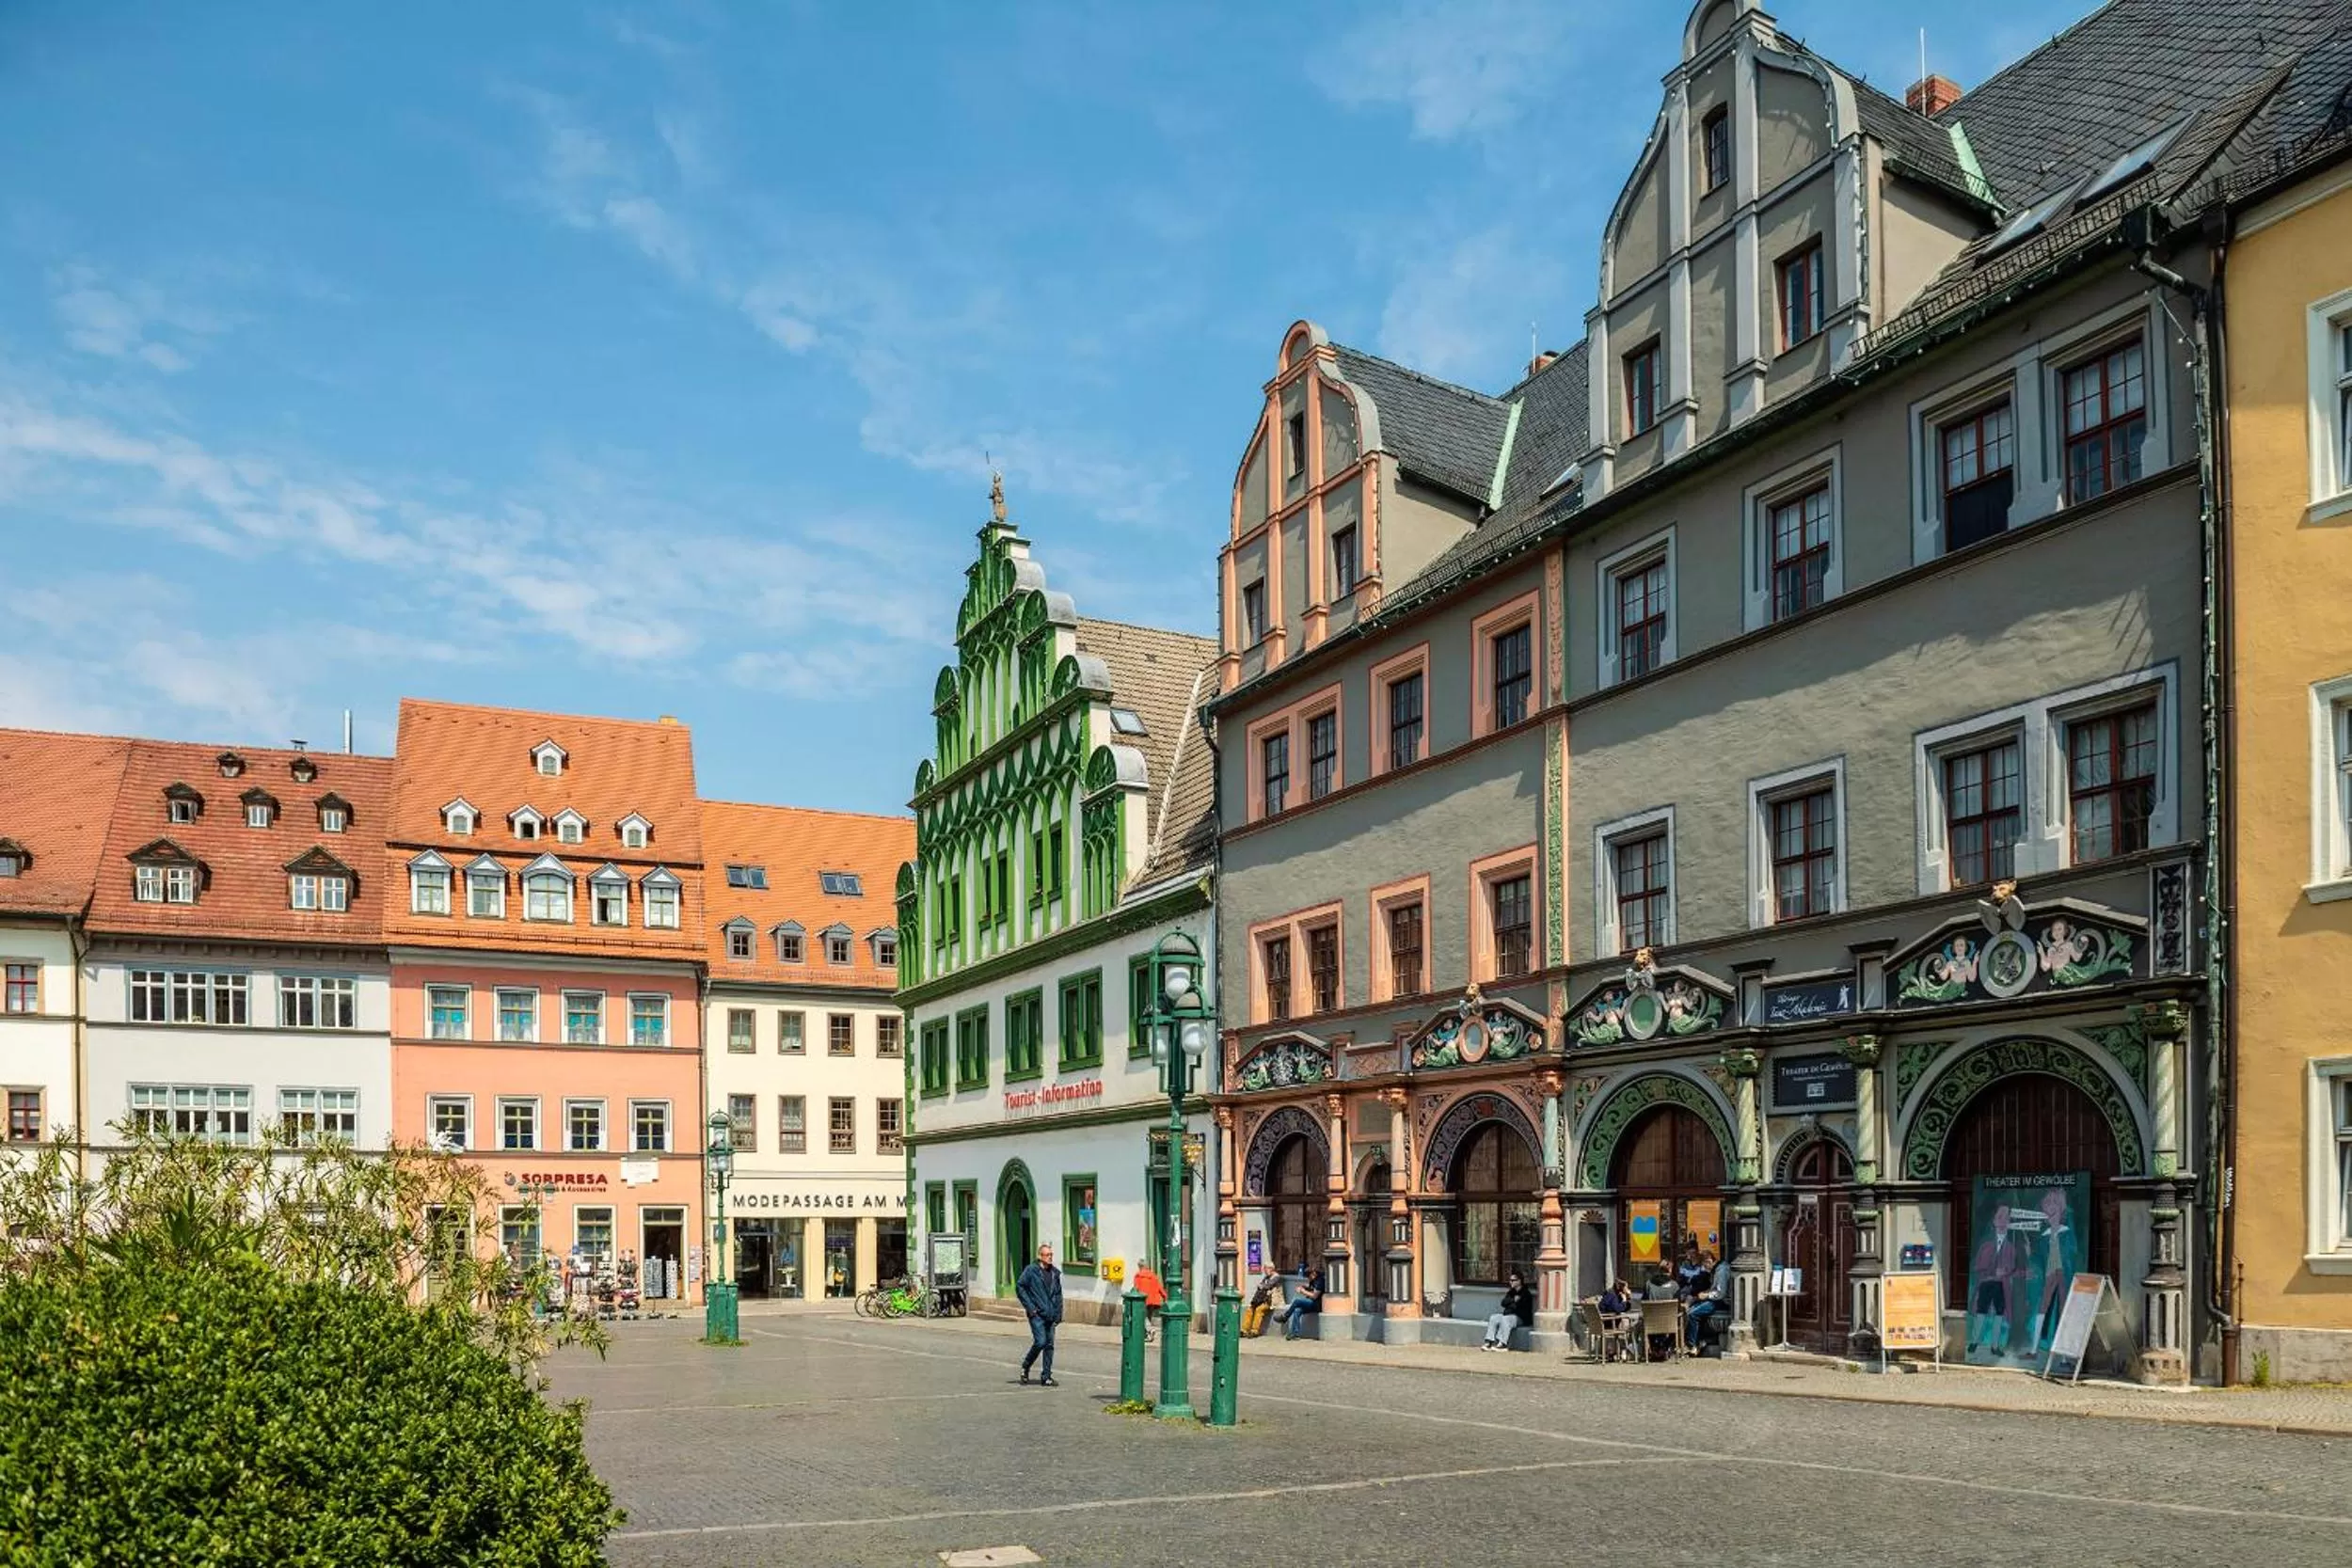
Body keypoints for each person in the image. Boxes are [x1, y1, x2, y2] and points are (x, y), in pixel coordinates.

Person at [1015, 1242, 1063, 1386]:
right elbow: (1020, 1287)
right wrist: (1031, 1308)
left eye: (1051, 1255)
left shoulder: (1055, 1273)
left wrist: (1059, 1314)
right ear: (1040, 1256)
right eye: (1047, 1255)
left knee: (1049, 1345)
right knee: (1040, 1342)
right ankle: (1026, 1366)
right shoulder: (1031, 1271)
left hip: (1051, 1314)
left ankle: (1046, 1376)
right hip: (1037, 1314)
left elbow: (1058, 1295)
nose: (1050, 1257)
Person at [1686, 1251, 1732, 1355]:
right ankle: (1700, 1340)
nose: (1704, 1268)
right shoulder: (1716, 1270)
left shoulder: (1721, 1271)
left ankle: (1692, 1345)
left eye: (1704, 1264)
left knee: (1692, 1313)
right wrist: (1704, 1293)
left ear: (1709, 1261)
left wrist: (1706, 1295)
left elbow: (1720, 1294)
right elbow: (1713, 1288)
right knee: (1694, 1308)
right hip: (1716, 1299)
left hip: (1721, 1302)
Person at [1482, 1271, 1535, 1351]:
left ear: (1519, 1281)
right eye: (1510, 1280)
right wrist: (1513, 1300)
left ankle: (1503, 1344)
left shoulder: (1525, 1293)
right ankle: (1489, 1341)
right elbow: (1503, 1303)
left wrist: (1511, 1305)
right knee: (1494, 1318)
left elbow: (1518, 1308)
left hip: (1520, 1318)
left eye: (1513, 1280)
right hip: (1508, 1315)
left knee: (1506, 1319)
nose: (1511, 1282)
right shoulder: (1511, 1292)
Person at [1279, 1261, 1325, 1340]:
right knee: (1297, 1310)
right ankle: (1295, 1334)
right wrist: (1304, 1286)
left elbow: (1315, 1296)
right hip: (1311, 1303)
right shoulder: (1314, 1280)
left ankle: (1285, 1317)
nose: (1308, 1278)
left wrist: (1302, 1291)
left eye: (1309, 1276)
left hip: (1317, 1304)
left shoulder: (1320, 1281)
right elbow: (1311, 1288)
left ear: (1314, 1274)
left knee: (1297, 1301)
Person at [1242, 1266, 1284, 1338]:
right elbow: (1261, 1286)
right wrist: (1262, 1286)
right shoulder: (1266, 1278)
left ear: (1271, 1269)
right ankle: (1244, 1330)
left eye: (1266, 1269)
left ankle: (1255, 1330)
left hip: (1271, 1301)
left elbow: (1267, 1286)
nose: (1265, 1271)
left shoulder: (1277, 1277)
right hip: (1262, 1299)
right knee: (1250, 1309)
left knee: (1259, 1309)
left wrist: (1262, 1286)